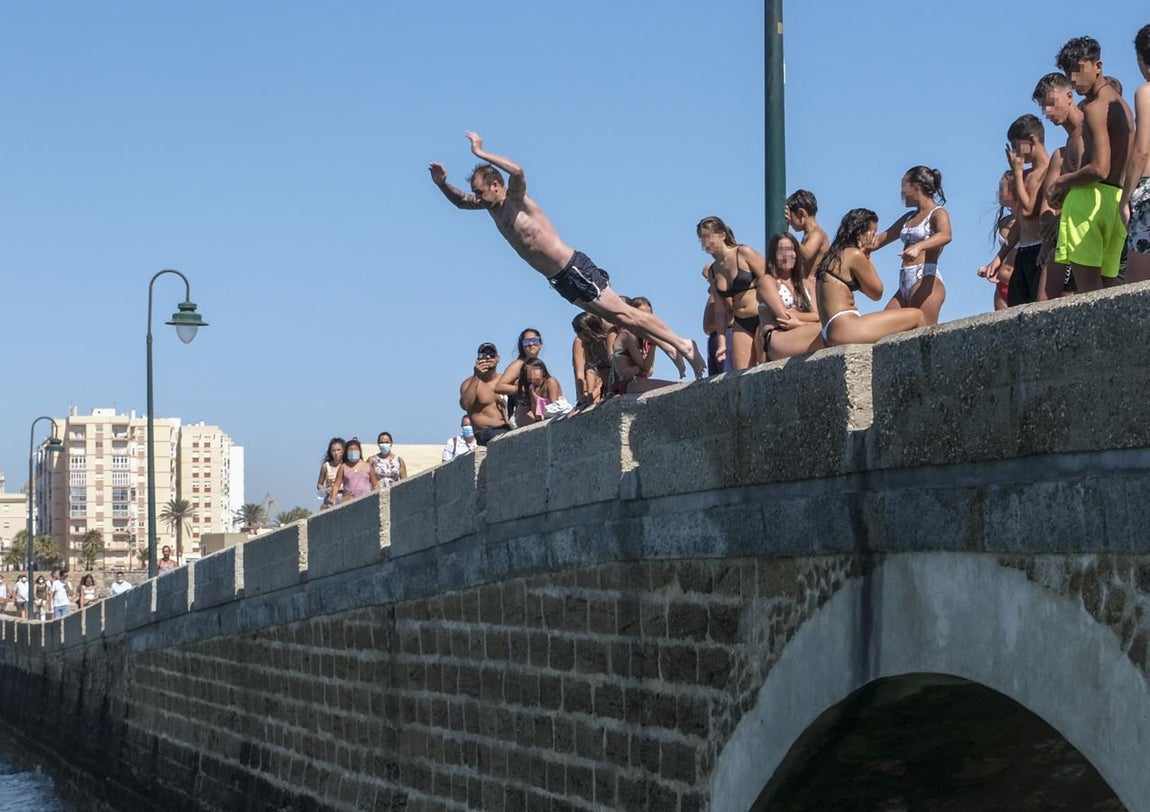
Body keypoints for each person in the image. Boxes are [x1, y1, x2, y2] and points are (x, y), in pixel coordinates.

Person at [429, 132, 704, 379]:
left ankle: (682, 344)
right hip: (559, 280)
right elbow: (460, 202)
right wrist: (442, 183)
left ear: (495, 185)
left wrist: (480, 152)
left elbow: (518, 170)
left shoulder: (516, 198)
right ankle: (668, 345)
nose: (476, 197)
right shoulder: (491, 209)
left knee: (625, 313)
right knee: (620, 320)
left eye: (479, 191)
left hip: (574, 268)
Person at [1050, 36, 1134, 292]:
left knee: (1088, 295)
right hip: (1116, 200)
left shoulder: (1095, 107)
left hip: (1089, 201)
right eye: (1068, 73)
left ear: (1098, 66)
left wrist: (1062, 181)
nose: (1074, 79)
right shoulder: (1123, 105)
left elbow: (1099, 168)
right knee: (1109, 294)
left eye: (1078, 70)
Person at [815, 208, 926, 346]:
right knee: (918, 316)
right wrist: (867, 254)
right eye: (873, 233)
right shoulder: (854, 255)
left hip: (830, 330)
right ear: (861, 234)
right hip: (845, 326)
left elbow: (867, 289)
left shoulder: (834, 255)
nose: (875, 238)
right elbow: (877, 293)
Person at [870, 167, 951, 325]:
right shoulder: (908, 217)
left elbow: (945, 235)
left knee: (922, 334)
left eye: (903, 187)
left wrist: (919, 247)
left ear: (915, 186)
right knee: (882, 330)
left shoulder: (937, 213)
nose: (901, 193)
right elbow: (878, 241)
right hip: (904, 282)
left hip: (926, 279)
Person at [1033, 72, 1086, 300]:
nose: (1048, 112)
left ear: (1069, 96)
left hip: (1088, 228)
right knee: (1043, 303)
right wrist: (1049, 235)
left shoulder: (1089, 131)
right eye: (1044, 107)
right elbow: (1048, 201)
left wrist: (1064, 186)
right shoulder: (1063, 150)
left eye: (1052, 103)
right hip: (1064, 233)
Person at [698, 216, 768, 371]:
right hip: (741, 322)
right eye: (702, 238)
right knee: (741, 373)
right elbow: (720, 309)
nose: (706, 242)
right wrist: (722, 343)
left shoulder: (743, 252)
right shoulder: (713, 271)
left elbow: (769, 278)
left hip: (761, 315)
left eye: (709, 236)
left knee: (765, 366)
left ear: (722, 235)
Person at [1003, 115, 1052, 306]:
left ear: (1032, 140)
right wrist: (999, 258)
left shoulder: (1049, 170)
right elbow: (1019, 220)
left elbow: (1029, 210)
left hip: (1040, 249)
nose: (1015, 154)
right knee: (1015, 309)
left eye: (1017, 147)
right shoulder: (1025, 175)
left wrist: (1016, 174)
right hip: (1022, 251)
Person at [758, 233, 823, 361]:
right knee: (832, 330)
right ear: (773, 256)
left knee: (834, 327)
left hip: (803, 331)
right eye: (781, 251)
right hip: (779, 337)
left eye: (790, 250)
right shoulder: (767, 281)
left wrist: (800, 323)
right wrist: (807, 319)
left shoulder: (808, 283)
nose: (786, 255)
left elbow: (818, 315)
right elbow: (784, 318)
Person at [1122, 24, 1150, 282]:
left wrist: (1125, 198)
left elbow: (1141, 151)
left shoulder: (1145, 92)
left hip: (1147, 191)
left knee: (1136, 286)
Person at [610, 297, 676, 394]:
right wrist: (654, 342)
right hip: (629, 384)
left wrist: (653, 344)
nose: (645, 319)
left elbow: (649, 371)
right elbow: (646, 368)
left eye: (648, 316)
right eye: (640, 314)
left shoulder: (642, 338)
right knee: (674, 387)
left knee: (676, 386)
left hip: (638, 381)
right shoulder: (626, 335)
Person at [978, 172, 1018, 311]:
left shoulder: (1025, 222)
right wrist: (990, 268)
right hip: (1001, 283)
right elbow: (1003, 253)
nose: (998, 193)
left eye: (1002, 188)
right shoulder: (1004, 222)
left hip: (1017, 282)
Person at [460, 342, 512, 446]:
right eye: (484, 355)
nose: (488, 357)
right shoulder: (469, 383)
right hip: (486, 432)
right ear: (478, 359)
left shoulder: (505, 380)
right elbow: (466, 404)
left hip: (507, 428)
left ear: (498, 359)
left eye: (492, 355)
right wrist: (477, 375)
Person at [496, 328, 544, 420]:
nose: (531, 344)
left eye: (534, 340)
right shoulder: (518, 364)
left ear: (540, 344)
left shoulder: (538, 364)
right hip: (523, 412)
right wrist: (523, 389)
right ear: (522, 346)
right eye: (526, 342)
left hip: (538, 410)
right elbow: (499, 387)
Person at [571, 312, 613, 407]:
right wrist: (587, 396)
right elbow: (590, 370)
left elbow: (616, 368)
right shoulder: (587, 345)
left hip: (616, 383)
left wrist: (594, 394)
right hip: (606, 387)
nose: (578, 336)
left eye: (579, 332)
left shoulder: (608, 340)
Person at [514, 358, 570, 426]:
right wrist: (538, 420)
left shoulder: (550, 382)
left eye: (533, 372)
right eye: (527, 373)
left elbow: (554, 404)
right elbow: (534, 406)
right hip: (546, 417)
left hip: (559, 414)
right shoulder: (531, 388)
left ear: (542, 372)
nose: (530, 375)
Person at [785, 189, 831, 272]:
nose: (790, 222)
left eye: (790, 217)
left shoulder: (817, 234)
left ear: (800, 213)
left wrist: (788, 236)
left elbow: (806, 255)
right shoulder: (807, 236)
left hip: (812, 280)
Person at [316, 437, 345, 510]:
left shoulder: (347, 465)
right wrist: (324, 490)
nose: (336, 453)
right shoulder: (326, 466)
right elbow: (319, 484)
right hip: (330, 497)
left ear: (343, 450)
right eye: (333, 451)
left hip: (345, 496)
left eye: (338, 450)